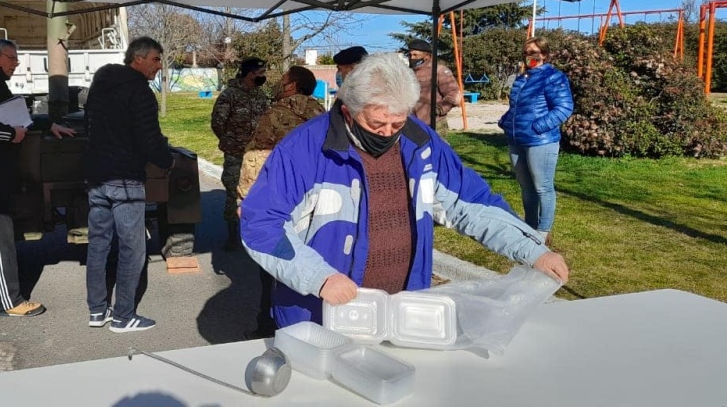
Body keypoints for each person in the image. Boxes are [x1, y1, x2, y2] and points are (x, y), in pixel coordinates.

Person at [239, 52, 569, 328]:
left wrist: (533, 249)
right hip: (318, 316)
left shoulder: (421, 142)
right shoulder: (304, 148)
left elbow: (471, 203)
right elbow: (262, 225)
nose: (386, 134)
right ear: (348, 112)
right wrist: (319, 278)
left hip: (402, 309)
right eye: (376, 124)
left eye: (396, 124)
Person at [0, 39, 76, 317]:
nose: (15, 64)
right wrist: (9, 135)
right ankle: (9, 300)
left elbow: (16, 115)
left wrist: (46, 124)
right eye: (12, 58)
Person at [83, 36, 174, 333]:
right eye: (156, 59)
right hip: (125, 180)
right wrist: (167, 160)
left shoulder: (101, 84)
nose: (159, 67)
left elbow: (89, 125)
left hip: (96, 177)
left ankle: (97, 311)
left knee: (98, 244)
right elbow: (149, 139)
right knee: (133, 248)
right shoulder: (140, 92)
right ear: (139, 58)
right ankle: (123, 316)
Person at [237, 65, 325, 339]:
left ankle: (269, 326)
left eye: (283, 81)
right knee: (311, 259)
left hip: (280, 198)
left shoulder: (274, 114)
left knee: (274, 262)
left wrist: (245, 199)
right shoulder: (323, 114)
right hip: (316, 201)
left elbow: (256, 158)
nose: (279, 84)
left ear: (292, 86)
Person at [498, 37, 574, 247]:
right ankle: (529, 226)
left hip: (541, 141)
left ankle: (543, 231)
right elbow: (517, 107)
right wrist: (506, 121)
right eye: (526, 52)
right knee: (526, 187)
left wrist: (537, 127)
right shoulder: (522, 78)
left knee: (542, 187)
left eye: (534, 52)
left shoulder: (553, 77)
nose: (529, 56)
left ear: (545, 55)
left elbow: (564, 108)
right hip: (516, 139)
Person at [211, 57, 270, 251]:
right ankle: (233, 236)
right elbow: (217, 122)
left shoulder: (261, 96)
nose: (264, 76)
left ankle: (254, 234)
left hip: (258, 154)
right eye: (261, 73)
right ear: (251, 73)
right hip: (236, 154)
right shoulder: (230, 95)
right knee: (233, 192)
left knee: (257, 193)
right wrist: (231, 142)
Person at [406, 39, 461, 135]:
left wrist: (439, 109)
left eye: (415, 55)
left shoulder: (438, 71)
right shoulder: (407, 73)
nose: (412, 58)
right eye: (410, 55)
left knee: (438, 149)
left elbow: (453, 94)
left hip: (435, 123)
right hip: (412, 124)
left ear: (426, 56)